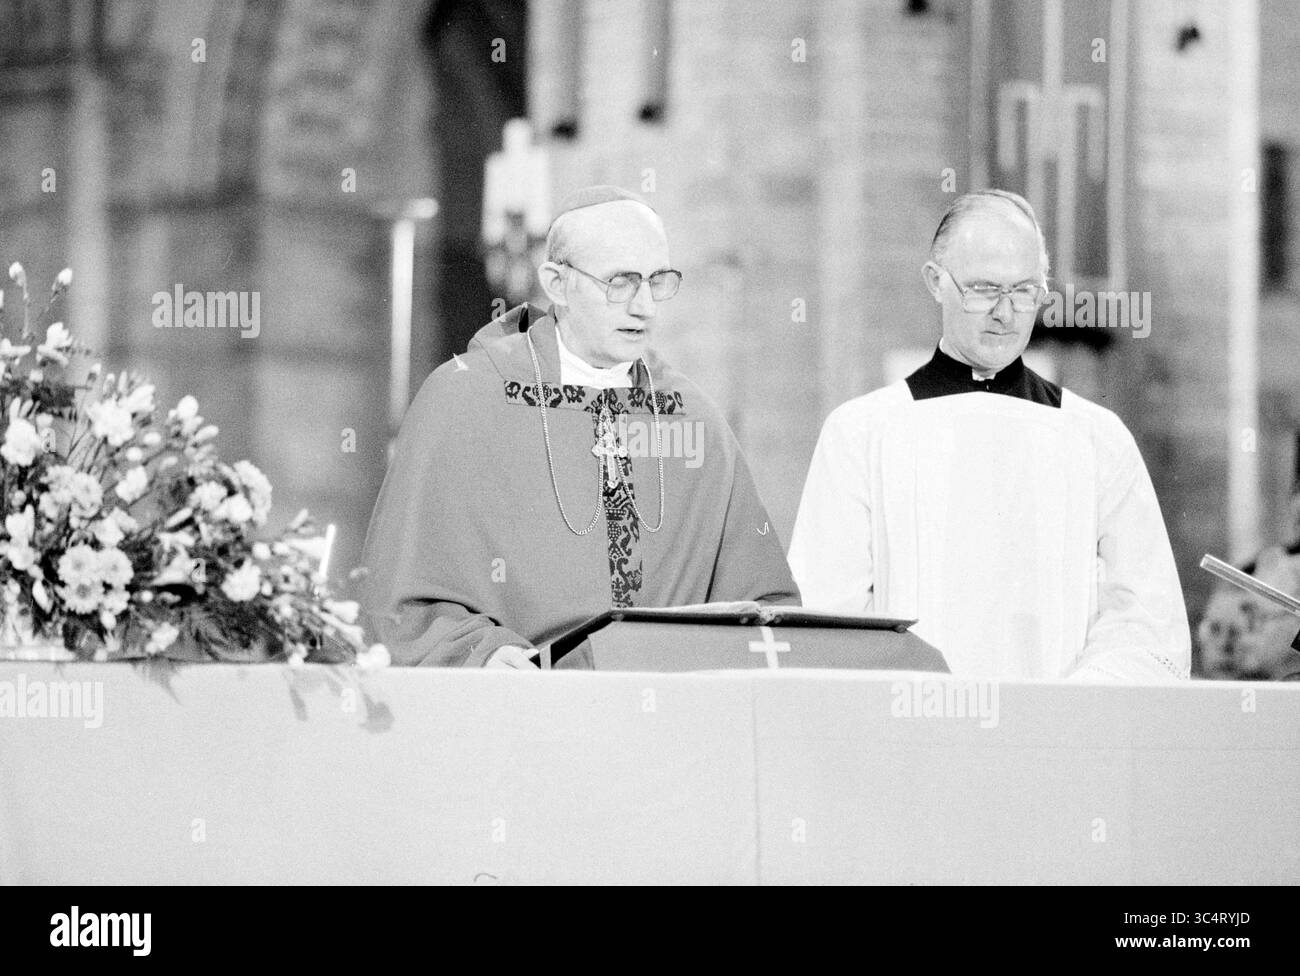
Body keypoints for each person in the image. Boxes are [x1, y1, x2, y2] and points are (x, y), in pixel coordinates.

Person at [362, 185, 797, 668]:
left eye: (658, 280)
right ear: (556, 282)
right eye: (620, 282)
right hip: (522, 712)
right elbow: (404, 599)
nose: (644, 306)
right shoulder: (465, 401)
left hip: (670, 721)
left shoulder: (691, 417)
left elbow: (763, 603)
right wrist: (485, 654)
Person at [789, 189, 1191, 681]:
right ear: (935, 282)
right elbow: (829, 621)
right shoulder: (861, 433)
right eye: (983, 289)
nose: (1005, 313)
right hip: (913, 738)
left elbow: (1147, 623)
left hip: (1061, 738)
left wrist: (1071, 704)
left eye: (1024, 291)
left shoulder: (1096, 438)